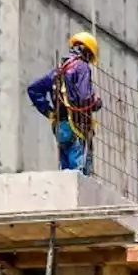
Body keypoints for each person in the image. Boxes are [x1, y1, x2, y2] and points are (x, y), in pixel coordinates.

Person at [27, 32, 102, 175]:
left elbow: (33, 90)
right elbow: (84, 97)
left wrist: (49, 112)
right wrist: (96, 103)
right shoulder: (82, 67)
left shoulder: (58, 71)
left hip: (60, 128)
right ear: (87, 51)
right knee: (79, 173)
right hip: (77, 125)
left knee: (65, 172)